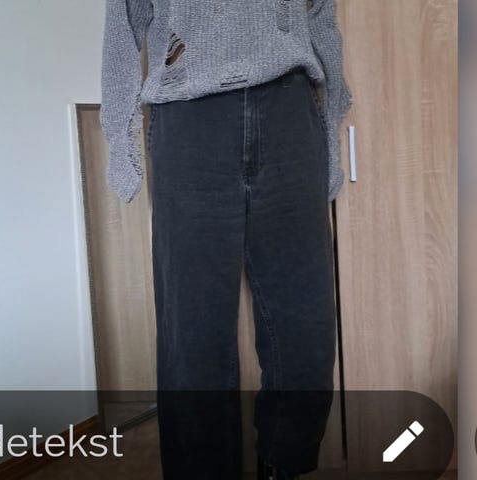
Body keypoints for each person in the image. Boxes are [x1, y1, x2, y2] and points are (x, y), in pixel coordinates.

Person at [99, 1, 352, 479]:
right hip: (188, 115)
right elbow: (122, 23)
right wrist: (121, 141)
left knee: (306, 323)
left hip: (290, 110)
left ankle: (283, 464)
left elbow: (320, 16)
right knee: (192, 330)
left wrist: (331, 137)